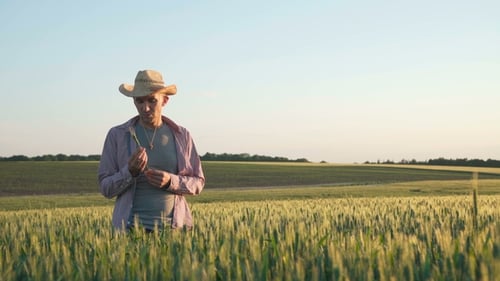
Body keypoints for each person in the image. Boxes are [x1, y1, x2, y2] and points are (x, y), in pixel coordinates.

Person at [98, 69, 205, 232]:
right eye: (139, 101)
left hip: (174, 230)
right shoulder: (117, 135)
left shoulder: (182, 135)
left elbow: (198, 182)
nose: (145, 108)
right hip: (129, 231)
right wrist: (130, 172)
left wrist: (170, 181)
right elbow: (106, 188)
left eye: (151, 101)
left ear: (165, 101)